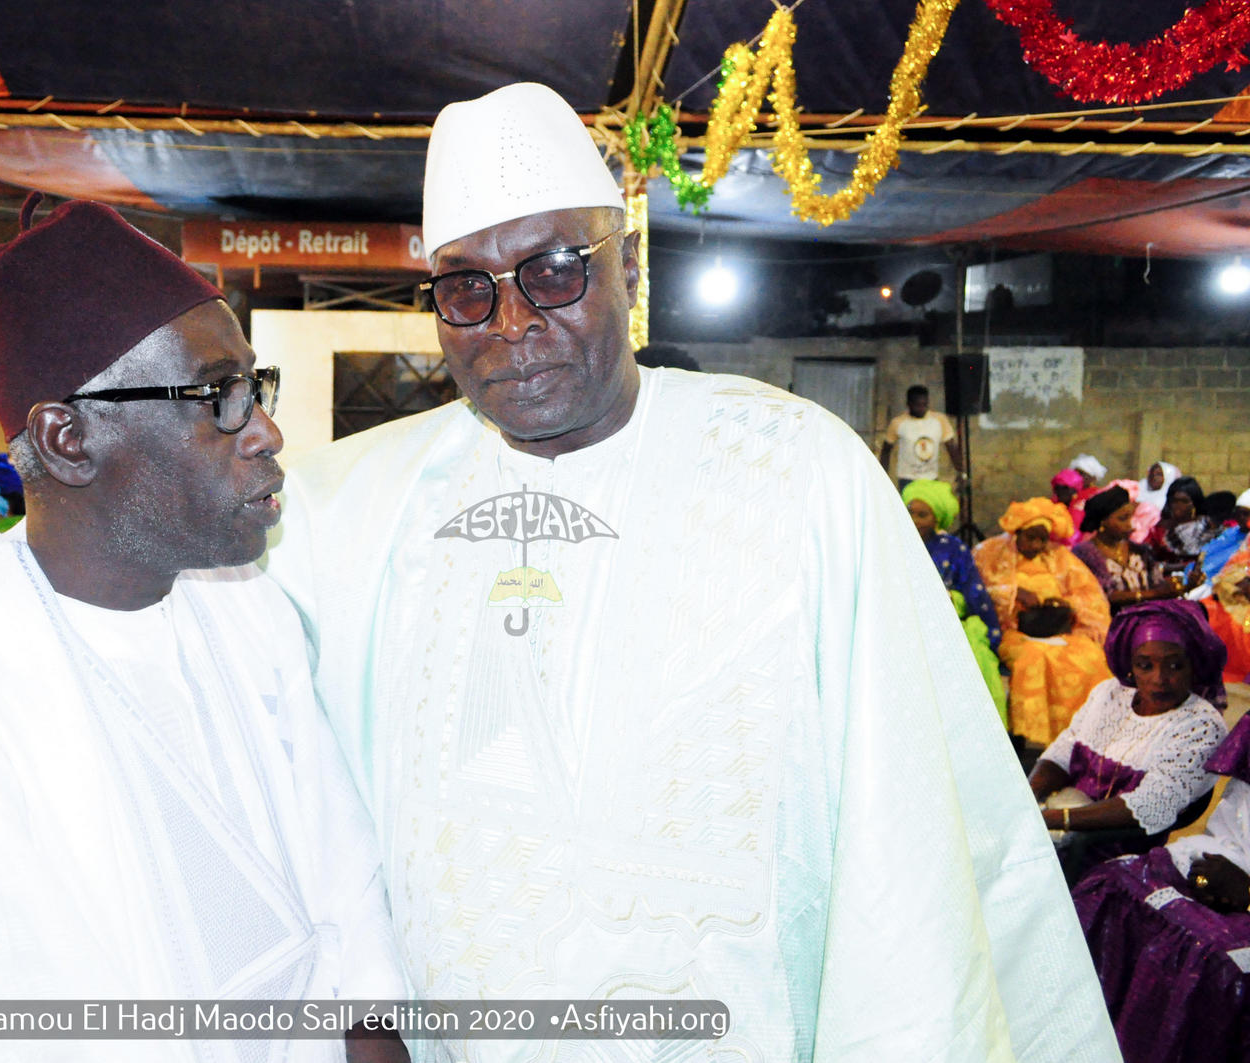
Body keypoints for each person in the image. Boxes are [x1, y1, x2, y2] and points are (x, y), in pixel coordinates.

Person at [263, 82, 1118, 1060]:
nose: (510, 322)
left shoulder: (795, 472)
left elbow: (908, 825)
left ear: (629, 263)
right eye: (465, 287)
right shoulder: (361, 509)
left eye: (551, 269)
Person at [0, 196, 405, 1056]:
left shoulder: (245, 605)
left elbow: (344, 873)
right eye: (218, 396)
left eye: (253, 387)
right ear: (69, 438)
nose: (266, 430)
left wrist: (374, 1035)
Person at [1073, 707, 1250, 1063]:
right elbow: (1234, 825)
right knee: (1112, 885)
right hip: (1233, 860)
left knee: (1211, 961)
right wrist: (1213, 871)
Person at [1028, 600, 1227, 885]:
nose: (1160, 679)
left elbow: (1150, 805)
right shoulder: (1110, 694)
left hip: (1116, 852)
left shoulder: (1201, 725)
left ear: (1193, 665)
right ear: (1131, 667)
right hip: (1060, 821)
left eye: (1175, 665)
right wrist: (1027, 796)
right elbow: (1063, 752)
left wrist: (1054, 819)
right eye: (1145, 666)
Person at [974, 498, 1113, 747]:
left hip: (1058, 631)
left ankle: (1083, 736)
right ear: (1017, 533)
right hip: (1014, 631)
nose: (1036, 545)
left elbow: (1089, 595)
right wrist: (1016, 594)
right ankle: (1035, 735)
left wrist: (1063, 603)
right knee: (1034, 658)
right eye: (1030, 537)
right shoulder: (991, 552)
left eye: (1042, 539)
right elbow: (979, 589)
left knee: (1089, 657)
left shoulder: (1060, 557)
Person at [903, 479, 1006, 721]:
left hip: (946, 621)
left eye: (923, 515)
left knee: (970, 656)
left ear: (937, 518)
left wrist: (950, 600)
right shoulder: (893, 542)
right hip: (902, 620)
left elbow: (973, 592)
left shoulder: (953, 548)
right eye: (910, 512)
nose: (915, 520)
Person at [1071, 485, 1190, 613]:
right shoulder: (1085, 554)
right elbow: (1103, 595)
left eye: (1131, 517)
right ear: (1102, 522)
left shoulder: (1140, 551)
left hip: (1148, 620)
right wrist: (1153, 594)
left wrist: (1184, 585)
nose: (1131, 526)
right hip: (1110, 624)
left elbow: (1157, 583)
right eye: (1123, 519)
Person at [880, 383, 961, 489]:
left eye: (925, 405)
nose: (922, 408)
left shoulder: (939, 420)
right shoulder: (898, 423)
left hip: (931, 478)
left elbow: (951, 447)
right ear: (908, 404)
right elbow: (886, 450)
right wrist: (882, 477)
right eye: (917, 405)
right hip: (907, 479)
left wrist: (961, 472)